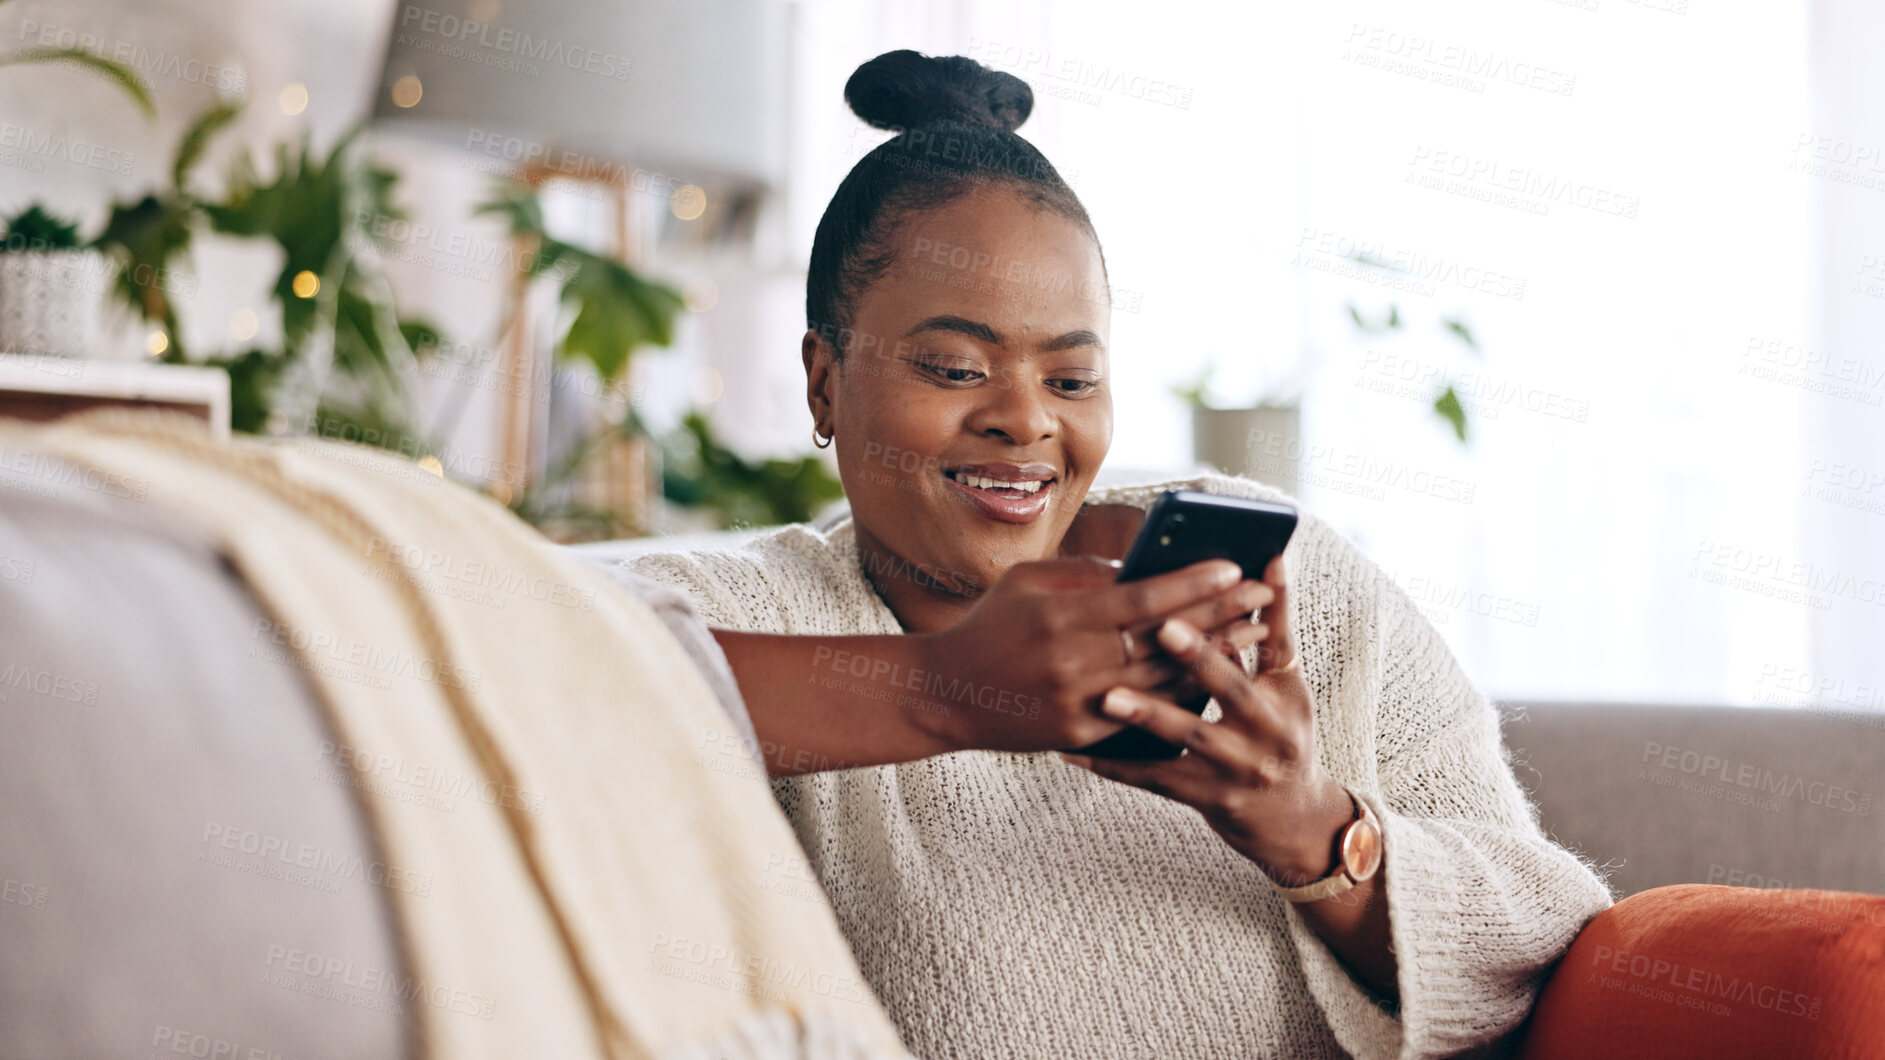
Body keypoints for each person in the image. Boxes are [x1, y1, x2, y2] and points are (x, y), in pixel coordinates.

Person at [623, 49, 1612, 1060]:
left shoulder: (1278, 581)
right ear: (824, 382)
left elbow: (1541, 936)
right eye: (955, 367)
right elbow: (499, 670)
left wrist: (1308, 830)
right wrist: (945, 690)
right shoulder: (759, 609)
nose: (1024, 420)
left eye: (1072, 377)